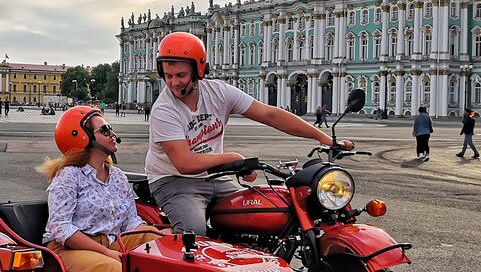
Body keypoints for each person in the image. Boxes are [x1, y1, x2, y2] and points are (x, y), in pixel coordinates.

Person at [145, 32, 354, 235]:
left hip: (213, 177)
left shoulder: (219, 92)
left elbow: (270, 114)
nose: (174, 83)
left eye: (180, 75)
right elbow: (185, 163)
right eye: (168, 76)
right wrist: (234, 159)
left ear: (199, 70)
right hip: (172, 180)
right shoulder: (164, 109)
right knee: (194, 233)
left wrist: (323, 138)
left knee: (263, 211)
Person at [38, 106, 160, 272]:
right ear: (82, 138)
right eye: (104, 130)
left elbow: (131, 222)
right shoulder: (69, 176)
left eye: (109, 128)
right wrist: (106, 252)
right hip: (70, 249)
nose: (112, 134)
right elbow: (61, 227)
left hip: (113, 243)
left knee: (160, 245)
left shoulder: (117, 176)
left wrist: (161, 236)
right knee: (115, 268)